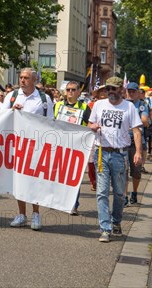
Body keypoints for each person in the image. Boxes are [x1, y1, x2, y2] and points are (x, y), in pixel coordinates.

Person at [88, 76, 143, 243]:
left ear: (121, 90)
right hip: (101, 152)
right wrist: (93, 127)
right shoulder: (98, 105)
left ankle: (116, 221)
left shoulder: (129, 107)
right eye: (108, 89)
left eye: (114, 88)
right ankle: (105, 228)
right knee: (102, 192)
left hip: (120, 154)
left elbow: (136, 131)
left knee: (119, 193)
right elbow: (90, 124)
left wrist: (138, 152)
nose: (110, 92)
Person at [1, 67, 54, 230]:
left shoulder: (44, 99)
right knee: (19, 180)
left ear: (34, 80)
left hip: (36, 144)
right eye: (21, 77)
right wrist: (12, 111)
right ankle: (21, 214)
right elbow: (1, 117)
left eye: (26, 78)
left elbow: (50, 122)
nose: (22, 80)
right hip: (17, 144)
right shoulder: (12, 96)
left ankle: (36, 214)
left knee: (35, 180)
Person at [54, 81, 91, 215]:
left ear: (78, 92)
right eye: (68, 90)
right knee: (58, 174)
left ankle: (73, 205)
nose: (70, 92)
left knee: (75, 177)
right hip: (59, 144)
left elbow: (90, 125)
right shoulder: (57, 105)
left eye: (73, 90)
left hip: (77, 146)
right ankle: (57, 201)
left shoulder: (84, 107)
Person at [124, 83, 149, 206]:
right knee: (123, 171)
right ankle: (124, 195)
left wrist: (131, 120)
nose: (130, 93)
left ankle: (134, 192)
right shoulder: (122, 104)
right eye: (128, 91)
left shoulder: (142, 105)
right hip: (123, 142)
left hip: (136, 143)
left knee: (135, 172)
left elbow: (144, 122)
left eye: (133, 91)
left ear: (138, 93)